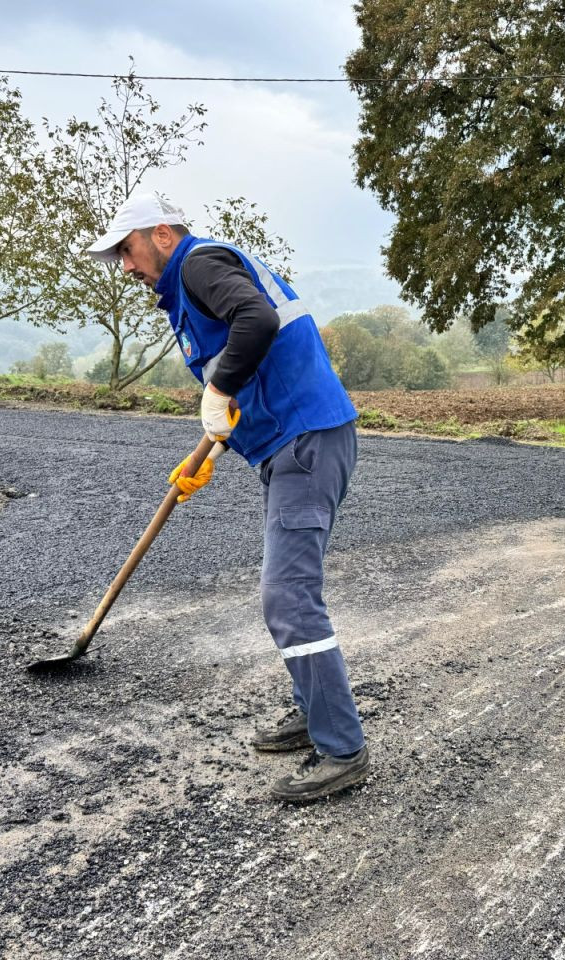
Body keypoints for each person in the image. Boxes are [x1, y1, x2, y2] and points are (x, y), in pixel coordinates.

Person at [87, 192, 370, 803]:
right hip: (291, 444)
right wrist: (212, 445)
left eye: (128, 251)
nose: (126, 267)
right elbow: (250, 365)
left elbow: (257, 321)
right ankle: (314, 710)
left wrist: (218, 388)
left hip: (307, 440)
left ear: (161, 233)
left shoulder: (197, 265)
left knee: (287, 593)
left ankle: (342, 747)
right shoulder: (193, 283)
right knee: (288, 590)